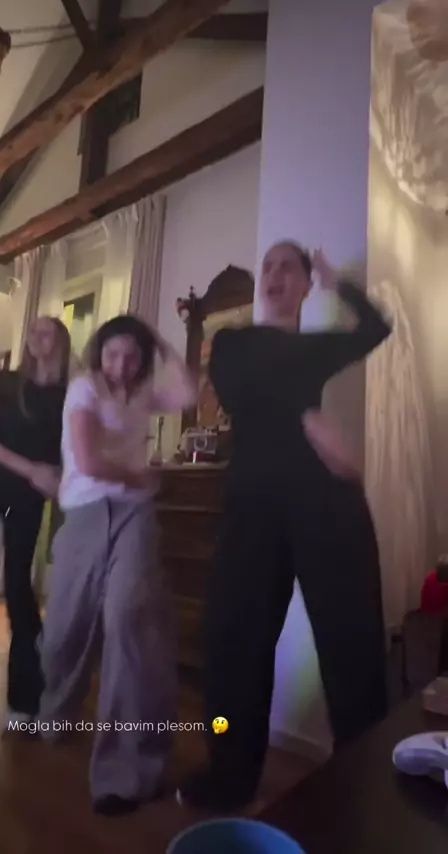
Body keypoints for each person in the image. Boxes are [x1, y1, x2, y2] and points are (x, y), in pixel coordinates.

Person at [177, 243, 392, 812]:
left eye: (288, 267)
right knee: (231, 645)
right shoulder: (232, 343)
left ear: (303, 286)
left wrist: (336, 280)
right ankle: (228, 770)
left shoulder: (315, 347)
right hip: (253, 504)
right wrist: (307, 418)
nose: (274, 274)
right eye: (267, 266)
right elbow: (242, 389)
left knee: (352, 647)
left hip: (325, 497)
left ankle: (365, 784)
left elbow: (376, 327)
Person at [38, 314, 196, 817]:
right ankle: (55, 710)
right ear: (98, 353)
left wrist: (160, 340)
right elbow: (87, 460)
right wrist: (139, 477)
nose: (121, 366)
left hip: (134, 515)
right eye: (112, 354)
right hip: (86, 512)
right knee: (63, 633)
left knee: (130, 618)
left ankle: (127, 773)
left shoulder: (144, 390)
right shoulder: (84, 388)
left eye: (132, 356)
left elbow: (189, 394)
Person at [0, 317, 71, 721]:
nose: (36, 336)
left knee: (17, 586)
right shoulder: (8, 382)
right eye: (33, 330)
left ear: (61, 340)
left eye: (47, 330)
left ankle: (24, 696)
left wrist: (57, 480)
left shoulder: (70, 394)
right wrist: (32, 470)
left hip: (26, 499)